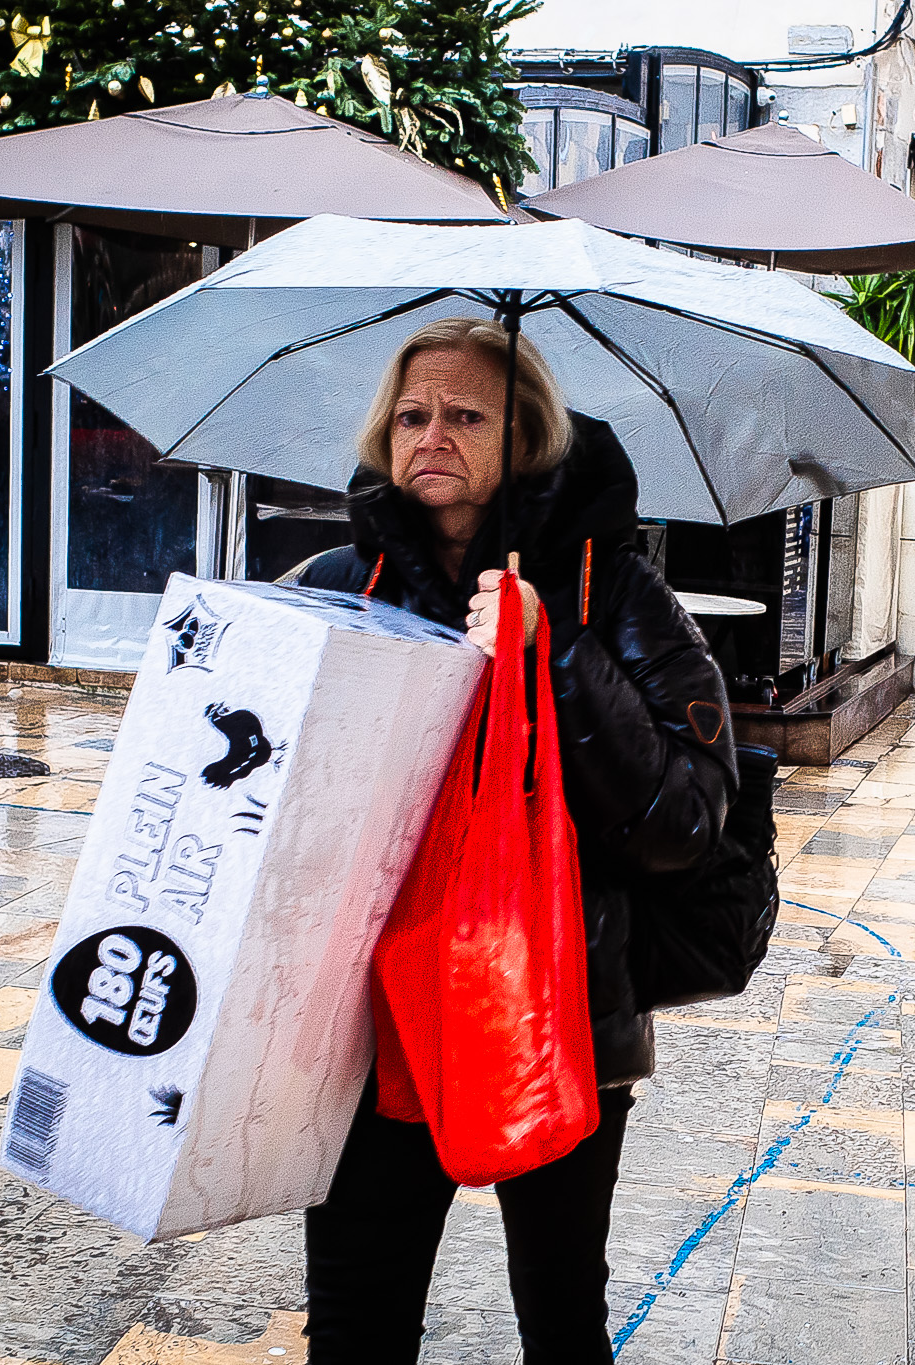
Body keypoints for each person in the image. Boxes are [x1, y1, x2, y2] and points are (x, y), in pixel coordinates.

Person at [290, 317, 737, 1365]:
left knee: (559, 1320)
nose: (429, 436)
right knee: (355, 1320)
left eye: (463, 416)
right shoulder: (333, 586)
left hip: (560, 1009)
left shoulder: (614, 594)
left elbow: (683, 824)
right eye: (409, 416)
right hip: (377, 1020)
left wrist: (557, 654)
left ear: (523, 436)